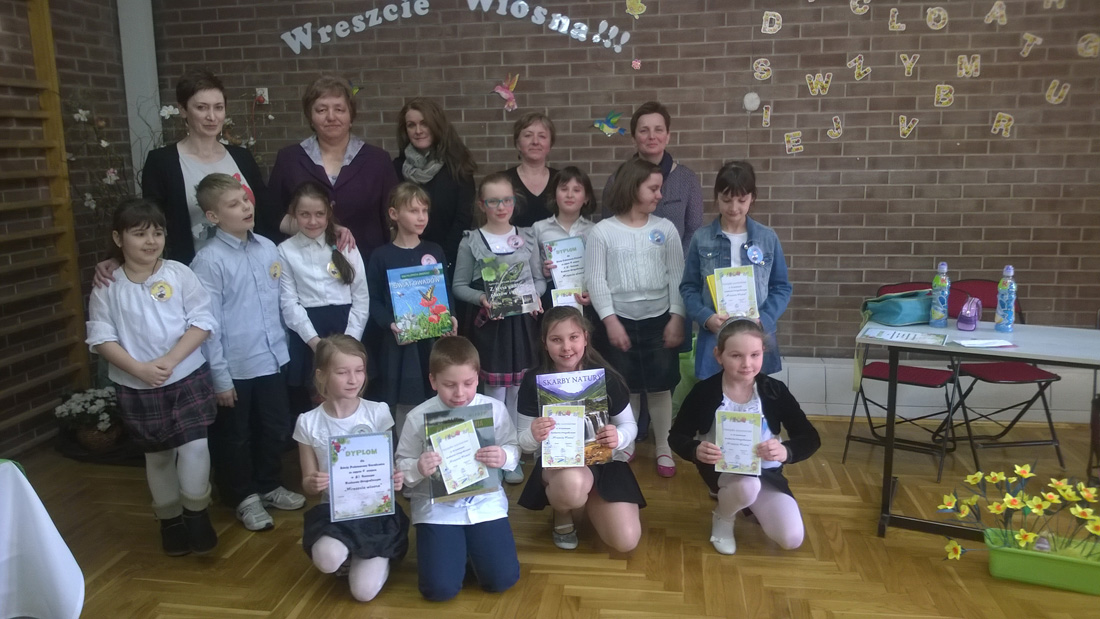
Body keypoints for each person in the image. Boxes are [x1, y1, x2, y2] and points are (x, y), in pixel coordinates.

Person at [85, 199, 218, 556]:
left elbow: (202, 320)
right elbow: (101, 337)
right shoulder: (107, 286)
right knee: (158, 456)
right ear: (118, 238)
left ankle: (197, 513)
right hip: (137, 384)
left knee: (195, 446)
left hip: (186, 375)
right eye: (139, 234)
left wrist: (171, 360)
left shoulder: (178, 273)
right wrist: (139, 369)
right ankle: (170, 520)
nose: (150, 241)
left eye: (157, 233)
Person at [189, 173, 305, 532]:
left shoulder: (268, 248)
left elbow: (279, 304)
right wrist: (220, 377)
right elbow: (208, 324)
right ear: (213, 216)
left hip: (272, 359)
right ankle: (242, 496)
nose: (245, 207)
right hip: (235, 365)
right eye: (233, 204)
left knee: (275, 427)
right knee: (236, 436)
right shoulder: (209, 260)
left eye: (245, 199)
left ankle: (268, 484)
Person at [93, 69, 274, 283]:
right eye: (201, 107)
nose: (212, 116)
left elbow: (265, 213)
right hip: (192, 276)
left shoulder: (242, 157)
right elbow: (150, 218)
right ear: (182, 110)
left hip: (248, 273)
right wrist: (120, 257)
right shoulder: (163, 162)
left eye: (218, 107)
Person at [669, 319, 820, 555]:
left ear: (763, 353)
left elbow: (810, 437)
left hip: (766, 473)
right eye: (736, 355)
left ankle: (743, 502)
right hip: (721, 471)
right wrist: (694, 449)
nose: (747, 364)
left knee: (791, 538)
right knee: (747, 486)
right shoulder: (703, 392)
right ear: (718, 355)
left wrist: (786, 451)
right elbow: (677, 435)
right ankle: (724, 516)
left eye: (755, 355)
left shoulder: (774, 390)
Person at [394, 336, 521, 602]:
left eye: (468, 383)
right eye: (449, 385)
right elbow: (402, 464)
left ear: (478, 377)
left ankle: (467, 552)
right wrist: (418, 467)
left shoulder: (494, 409)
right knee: (439, 590)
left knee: (502, 579)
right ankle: (455, 552)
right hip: (438, 509)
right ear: (433, 381)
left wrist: (503, 456)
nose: (460, 393)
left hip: (484, 503)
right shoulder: (418, 417)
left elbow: (513, 446)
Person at [586, 158, 685, 478]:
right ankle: (627, 443)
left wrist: (677, 316)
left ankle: (663, 445)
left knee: (659, 386)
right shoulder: (603, 232)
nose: (659, 195)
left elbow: (677, 276)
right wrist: (610, 320)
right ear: (632, 188)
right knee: (625, 384)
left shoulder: (666, 229)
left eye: (660, 188)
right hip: (619, 320)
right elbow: (596, 280)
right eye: (653, 189)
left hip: (659, 320)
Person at [516, 307, 645, 552]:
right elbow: (522, 442)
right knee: (572, 485)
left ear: (585, 338)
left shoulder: (606, 377)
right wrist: (533, 434)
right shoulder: (534, 381)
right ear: (544, 343)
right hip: (561, 467)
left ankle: (590, 498)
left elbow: (630, 425)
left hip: (605, 462)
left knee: (626, 541)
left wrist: (619, 437)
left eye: (573, 337)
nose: (566, 347)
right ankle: (563, 511)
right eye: (556, 339)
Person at [293, 335, 409, 602]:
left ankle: (375, 557)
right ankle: (348, 554)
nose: (353, 379)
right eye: (342, 372)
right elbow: (307, 483)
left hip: (374, 513)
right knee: (327, 559)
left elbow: (389, 467)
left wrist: (395, 478)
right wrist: (313, 482)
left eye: (359, 370)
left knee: (363, 593)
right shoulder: (308, 422)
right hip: (334, 512)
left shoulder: (377, 412)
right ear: (322, 375)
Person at [452, 172, 545, 484]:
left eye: (507, 200)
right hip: (491, 328)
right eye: (493, 201)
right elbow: (459, 286)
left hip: (521, 325)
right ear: (482, 205)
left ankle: (512, 454)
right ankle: (493, 453)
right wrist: (481, 298)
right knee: (493, 394)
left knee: (517, 391)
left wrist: (535, 296)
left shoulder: (527, 237)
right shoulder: (471, 241)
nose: (501, 206)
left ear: (515, 201)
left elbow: (540, 281)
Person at [680, 160, 792, 379]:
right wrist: (706, 317)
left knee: (757, 394)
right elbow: (689, 287)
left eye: (741, 200)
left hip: (756, 336)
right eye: (726, 199)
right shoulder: (701, 238)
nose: (733, 208)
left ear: (752, 198)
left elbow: (781, 287)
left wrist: (764, 319)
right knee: (713, 394)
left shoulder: (767, 238)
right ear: (716, 197)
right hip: (714, 336)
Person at [269, 75, 398, 261]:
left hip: (367, 264)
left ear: (351, 116)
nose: (331, 117)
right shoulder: (289, 159)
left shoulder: (378, 160)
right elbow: (272, 216)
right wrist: (319, 228)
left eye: (339, 109)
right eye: (321, 110)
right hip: (305, 267)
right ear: (310, 117)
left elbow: (393, 218)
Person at [365, 182, 457, 434]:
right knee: (405, 402)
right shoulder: (382, 255)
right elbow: (372, 299)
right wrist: (390, 324)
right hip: (400, 344)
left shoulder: (434, 250)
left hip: (433, 340)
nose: (421, 217)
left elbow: (445, 290)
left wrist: (452, 316)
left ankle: (437, 447)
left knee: (437, 394)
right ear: (394, 214)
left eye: (424, 211)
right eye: (413, 211)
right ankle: (406, 452)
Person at [278, 181, 370, 415]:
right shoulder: (285, 251)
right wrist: (315, 343)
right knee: (313, 402)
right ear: (293, 214)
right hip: (308, 333)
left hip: (346, 327)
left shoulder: (345, 245)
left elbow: (361, 296)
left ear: (329, 212)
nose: (312, 221)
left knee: (349, 394)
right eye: (304, 214)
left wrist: (349, 342)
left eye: (319, 214)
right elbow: (288, 302)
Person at [600, 101, 703, 253]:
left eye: (658, 130)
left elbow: (694, 231)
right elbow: (608, 230)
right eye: (644, 131)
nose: (652, 136)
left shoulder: (687, 179)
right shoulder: (617, 181)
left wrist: (678, 262)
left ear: (667, 136)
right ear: (633, 138)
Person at [393, 97, 477, 273]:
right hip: (406, 263)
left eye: (424, 123)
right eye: (411, 125)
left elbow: (463, 218)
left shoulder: (458, 166)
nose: (418, 131)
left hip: (449, 260)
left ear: (437, 125)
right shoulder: (396, 168)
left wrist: (441, 259)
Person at [532, 166, 597, 312]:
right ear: (554, 195)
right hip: (551, 298)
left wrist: (593, 295)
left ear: (586, 198)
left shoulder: (594, 230)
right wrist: (544, 271)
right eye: (563, 189)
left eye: (576, 190)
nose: (569, 195)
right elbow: (534, 274)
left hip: (585, 297)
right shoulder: (539, 228)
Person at [503, 112, 558, 227]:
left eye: (542, 136)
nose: (535, 142)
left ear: (550, 144)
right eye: (528, 135)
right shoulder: (503, 181)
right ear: (518, 144)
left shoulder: (561, 180)